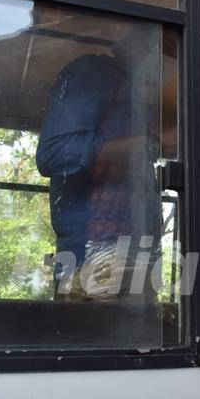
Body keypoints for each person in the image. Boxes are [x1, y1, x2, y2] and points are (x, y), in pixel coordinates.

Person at [36, 26, 163, 301]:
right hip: (96, 253)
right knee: (98, 339)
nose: (165, 57)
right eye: (163, 46)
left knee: (146, 342)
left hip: (136, 256)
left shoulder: (136, 95)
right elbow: (54, 153)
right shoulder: (93, 74)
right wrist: (147, 144)